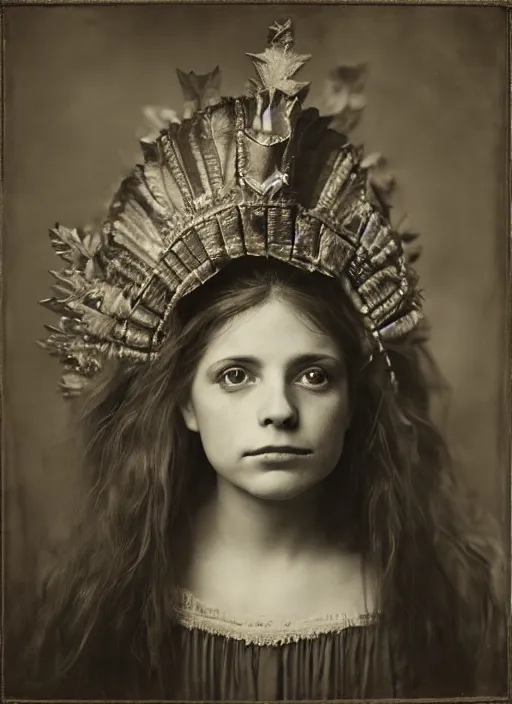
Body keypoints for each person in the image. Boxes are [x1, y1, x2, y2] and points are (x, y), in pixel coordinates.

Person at [18, 17, 506, 700]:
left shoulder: (438, 604)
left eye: (313, 375)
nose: (278, 411)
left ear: (355, 395)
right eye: (236, 376)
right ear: (185, 401)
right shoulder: (104, 607)